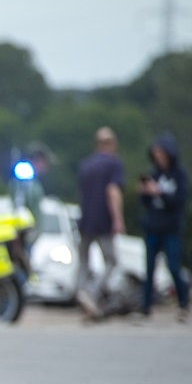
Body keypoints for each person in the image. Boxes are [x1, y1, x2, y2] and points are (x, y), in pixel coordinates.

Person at [137, 132, 189, 321]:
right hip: (153, 227)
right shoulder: (153, 174)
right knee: (149, 267)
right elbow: (146, 203)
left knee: (173, 266)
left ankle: (183, 303)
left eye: (161, 152)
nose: (158, 156)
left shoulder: (179, 175)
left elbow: (179, 201)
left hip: (171, 228)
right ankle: (146, 306)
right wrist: (144, 192)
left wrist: (159, 192)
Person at [75, 126, 126, 320]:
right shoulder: (114, 164)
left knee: (84, 261)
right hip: (103, 220)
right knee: (111, 260)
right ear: (112, 144)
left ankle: (81, 291)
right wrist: (118, 219)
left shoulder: (86, 165)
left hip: (85, 219)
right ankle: (91, 294)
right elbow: (112, 191)